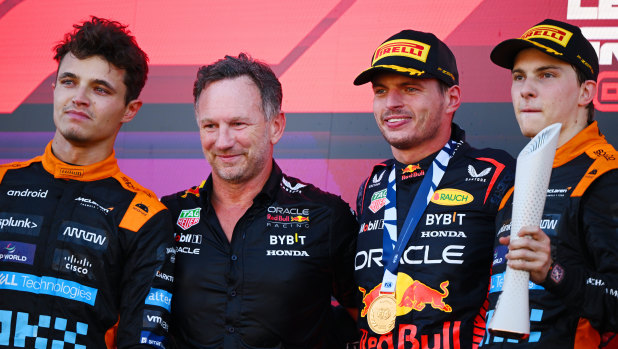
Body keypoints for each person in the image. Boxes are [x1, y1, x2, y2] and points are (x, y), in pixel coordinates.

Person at [161, 53, 358, 348]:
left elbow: (368, 319)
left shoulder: (326, 217)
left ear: (276, 126)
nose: (223, 141)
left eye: (238, 123)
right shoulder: (167, 216)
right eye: (210, 126)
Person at [0, 17, 175, 348]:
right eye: (69, 82)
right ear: (53, 90)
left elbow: (142, 341)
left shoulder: (144, 216)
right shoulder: (3, 182)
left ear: (130, 109)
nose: (79, 98)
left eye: (100, 89)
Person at [352, 29, 515, 348]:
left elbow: (517, 296)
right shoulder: (373, 185)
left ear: (452, 98)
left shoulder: (493, 174)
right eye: (381, 90)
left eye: (410, 88)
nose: (392, 103)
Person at [482, 19, 618, 348]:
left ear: (586, 91)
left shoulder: (607, 176)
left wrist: (555, 272)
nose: (526, 89)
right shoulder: (519, 176)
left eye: (547, 75)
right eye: (519, 77)